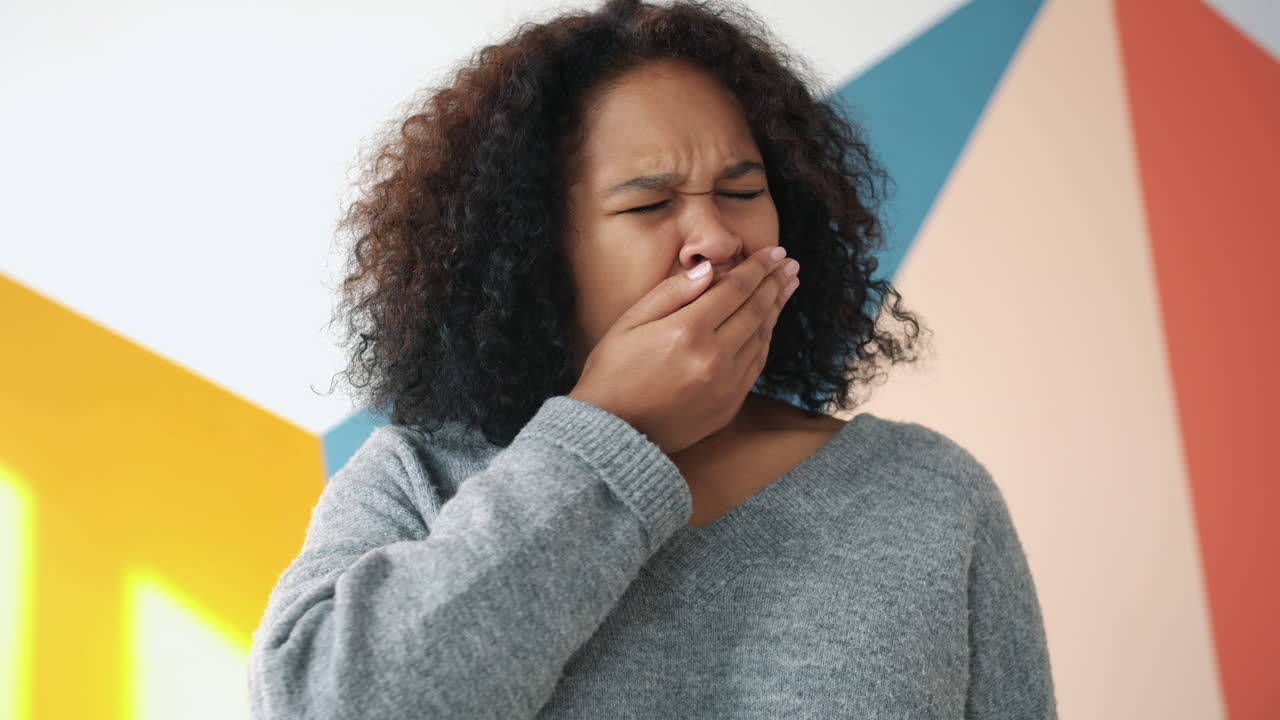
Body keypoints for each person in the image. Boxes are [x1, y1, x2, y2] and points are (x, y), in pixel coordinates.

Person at [247, 0, 1058, 717]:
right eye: (650, 203)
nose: (716, 239)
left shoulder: (931, 497)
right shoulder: (420, 478)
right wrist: (606, 434)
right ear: (538, 250)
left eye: (742, 192)